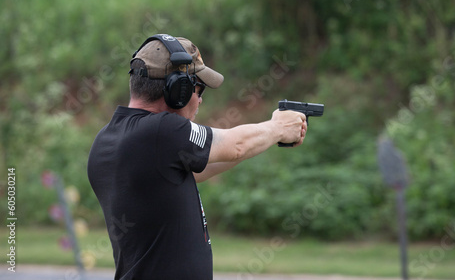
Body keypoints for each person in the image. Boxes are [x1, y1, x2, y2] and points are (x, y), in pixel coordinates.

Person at [87, 34, 307, 280]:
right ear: (177, 89)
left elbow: (201, 166)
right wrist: (277, 127)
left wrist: (267, 138)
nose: (200, 99)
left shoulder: (109, 138)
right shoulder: (161, 130)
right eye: (198, 89)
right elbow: (236, 145)